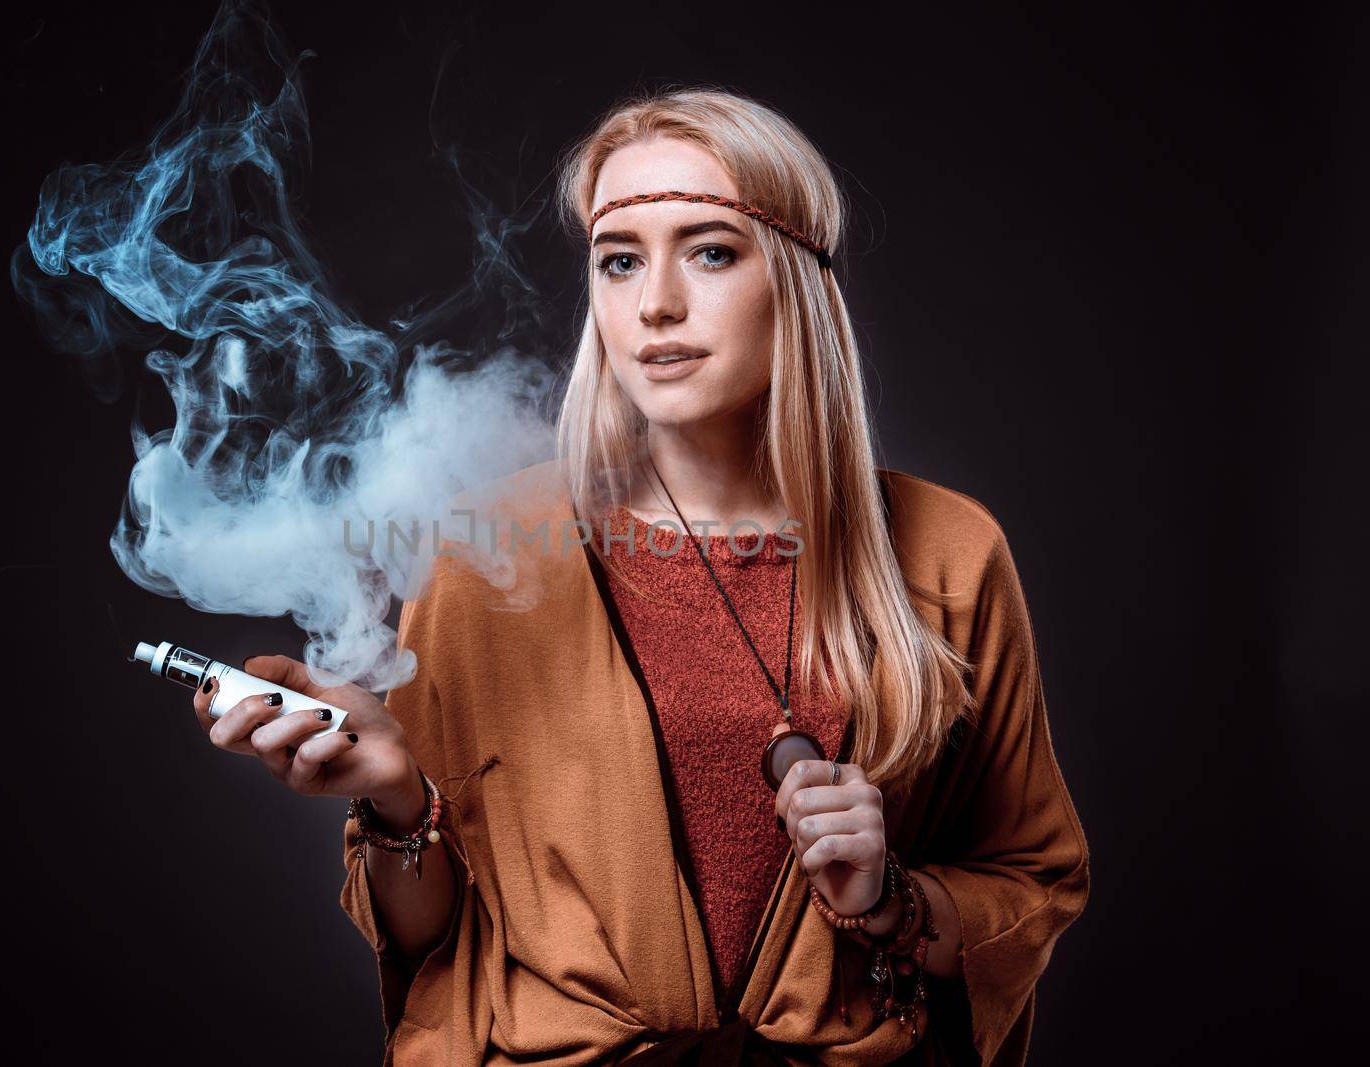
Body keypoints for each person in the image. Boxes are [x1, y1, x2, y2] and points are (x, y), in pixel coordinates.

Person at [189, 88, 1089, 1065]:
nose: (654, 301)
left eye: (709, 250)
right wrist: (399, 794)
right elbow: (432, 939)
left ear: (793, 276)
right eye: (619, 260)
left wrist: (890, 897)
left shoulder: (946, 551)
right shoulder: (488, 549)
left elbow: (1029, 877)